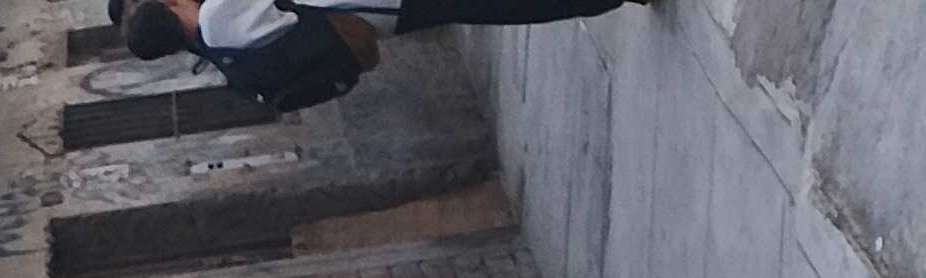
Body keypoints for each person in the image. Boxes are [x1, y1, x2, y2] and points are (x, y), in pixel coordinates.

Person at [113, 0, 648, 115]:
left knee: (487, 7)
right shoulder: (216, 20)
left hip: (381, 15)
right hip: (374, 1)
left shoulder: (216, 48)